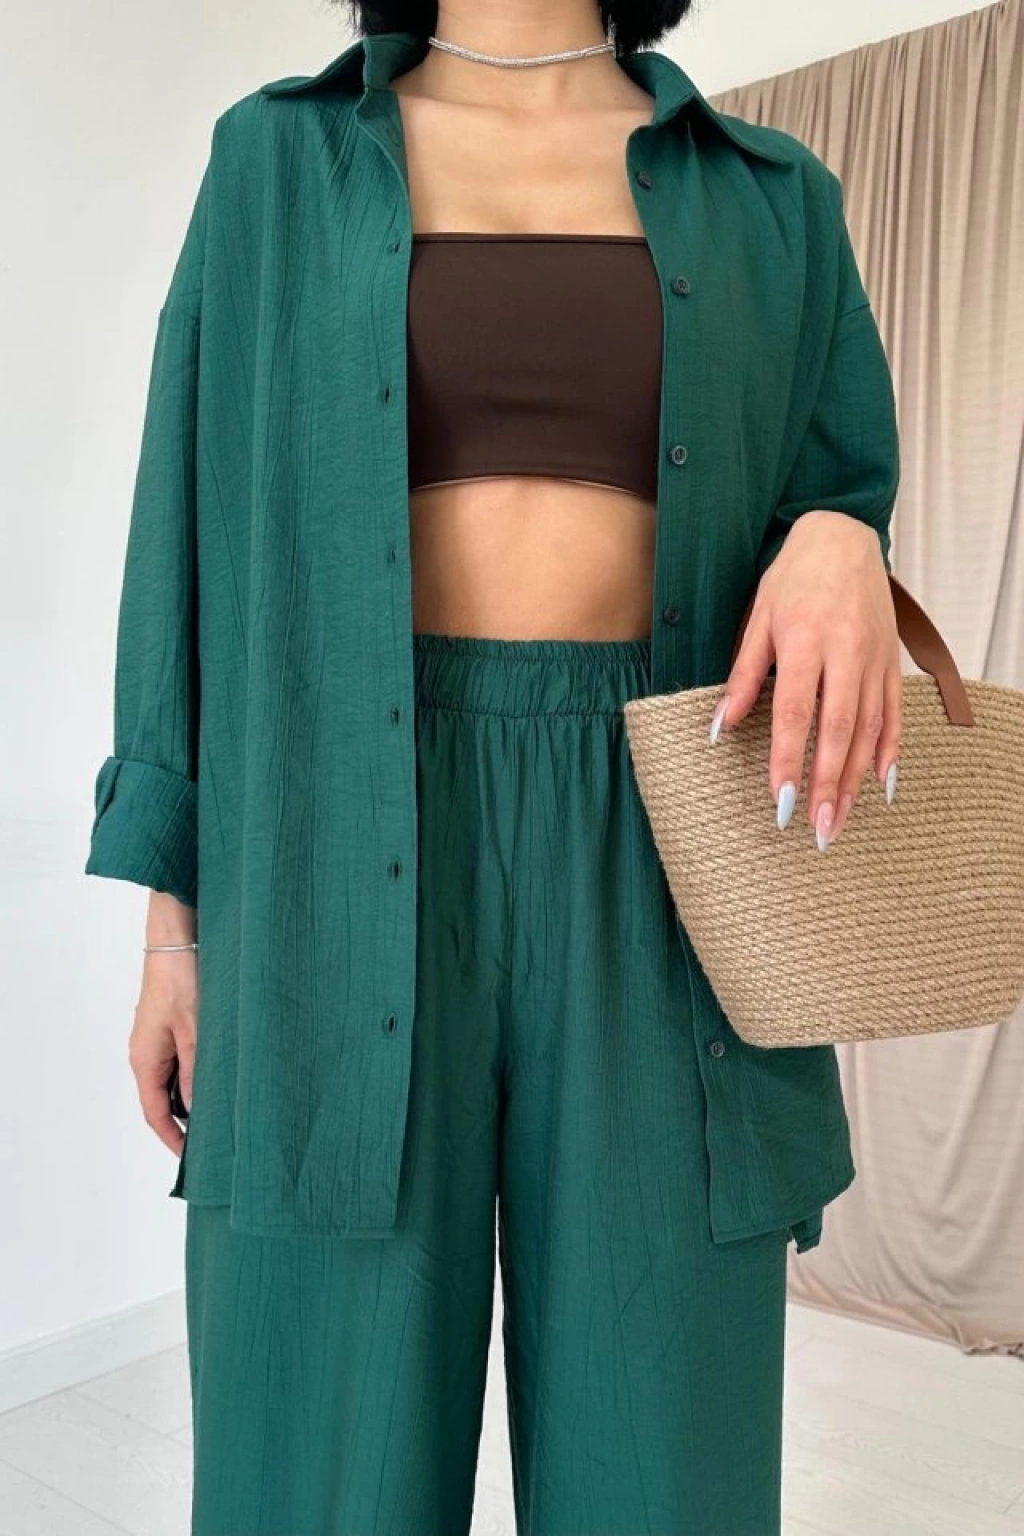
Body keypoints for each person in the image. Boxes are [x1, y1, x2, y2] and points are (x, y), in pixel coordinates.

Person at [84, 2, 902, 1531]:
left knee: (664, 1456)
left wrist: (844, 535)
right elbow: (182, 536)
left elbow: (839, 478)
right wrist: (169, 931)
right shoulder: (275, 165)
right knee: (317, 1459)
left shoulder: (772, 200)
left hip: (666, 850)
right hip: (331, 838)